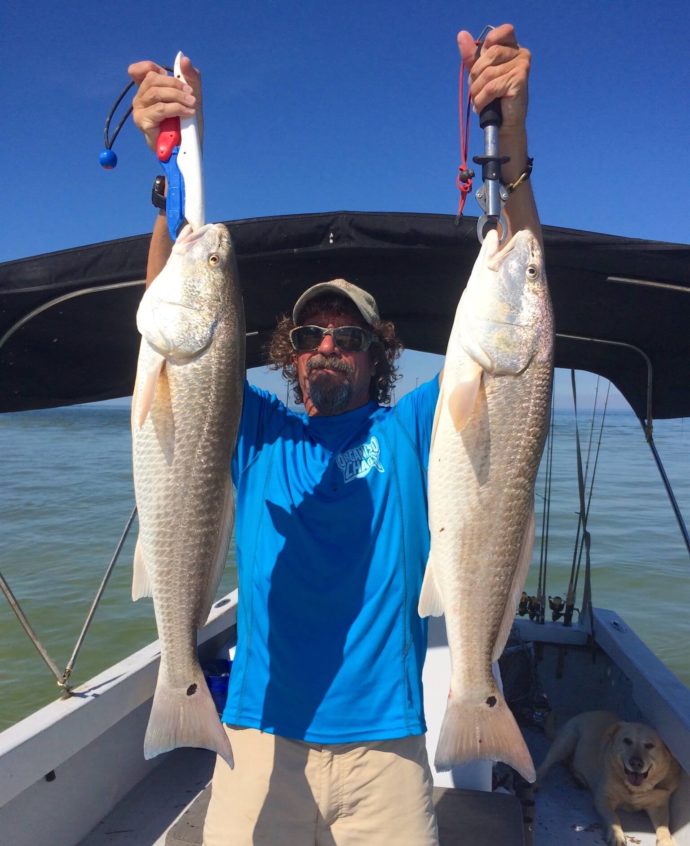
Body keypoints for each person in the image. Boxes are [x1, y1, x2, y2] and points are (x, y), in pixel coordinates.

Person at [128, 23, 540, 846]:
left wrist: (515, 139)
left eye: (346, 336)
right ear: (287, 347)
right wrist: (171, 170)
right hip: (254, 735)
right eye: (311, 333)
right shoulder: (255, 429)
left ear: (375, 352)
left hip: (387, 748)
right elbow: (177, 347)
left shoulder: (418, 427)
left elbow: (518, 346)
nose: (326, 347)